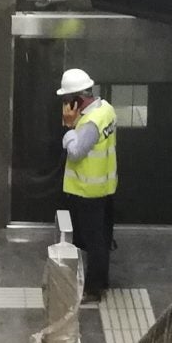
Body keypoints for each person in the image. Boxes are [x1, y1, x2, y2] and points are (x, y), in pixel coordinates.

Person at [56, 66, 118, 300]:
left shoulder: (90, 122)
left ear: (78, 100)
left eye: (67, 100)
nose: (64, 105)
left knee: (94, 241)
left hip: (88, 190)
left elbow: (76, 153)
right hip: (104, 186)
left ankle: (93, 288)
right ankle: (100, 280)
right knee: (100, 237)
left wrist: (69, 129)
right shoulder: (106, 110)